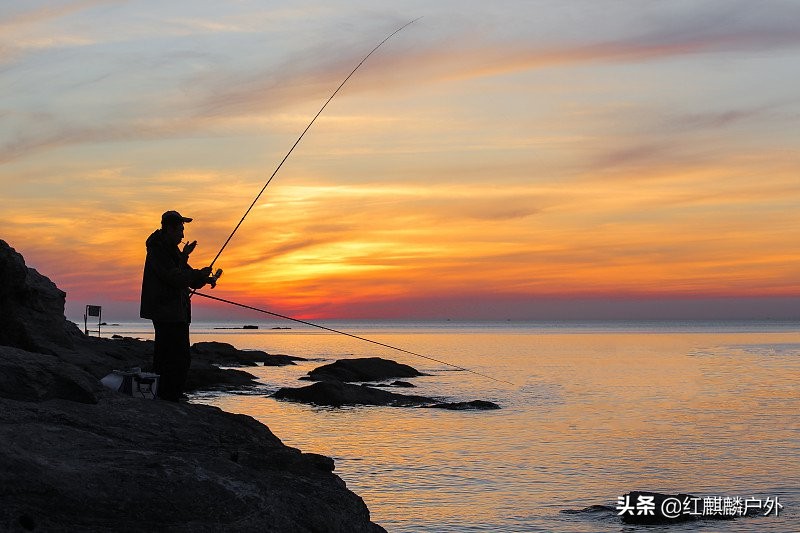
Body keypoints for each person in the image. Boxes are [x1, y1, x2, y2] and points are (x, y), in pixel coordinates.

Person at [140, 210, 215, 401]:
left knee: (175, 356)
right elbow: (175, 277)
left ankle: (170, 395)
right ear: (169, 229)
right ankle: (169, 396)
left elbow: (187, 276)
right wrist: (196, 274)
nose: (182, 235)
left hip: (176, 311)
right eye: (180, 230)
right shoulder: (158, 250)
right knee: (173, 357)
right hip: (166, 311)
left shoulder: (171, 250)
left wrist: (204, 278)